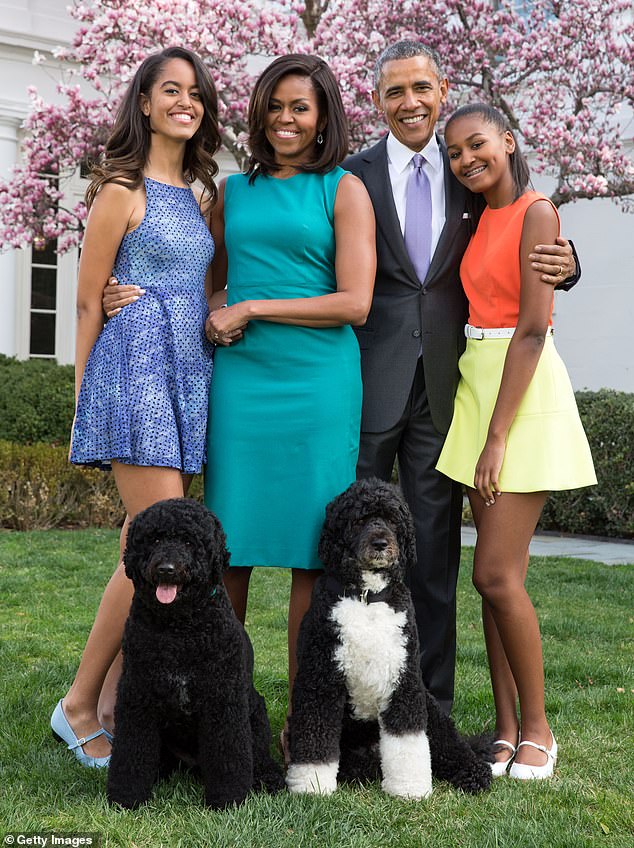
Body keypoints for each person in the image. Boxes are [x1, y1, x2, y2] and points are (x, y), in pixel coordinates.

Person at [344, 40, 580, 715]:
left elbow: (523, 234)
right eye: (394, 91)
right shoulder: (352, 176)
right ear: (377, 101)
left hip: (451, 392)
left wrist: (569, 263)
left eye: (421, 87)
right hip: (368, 381)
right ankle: (351, 703)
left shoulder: (468, 171)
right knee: (349, 545)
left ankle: (429, 712)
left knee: (434, 555)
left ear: (442, 90)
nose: (409, 102)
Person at [51, 47, 221, 767]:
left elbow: (204, 285)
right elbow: (88, 300)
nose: (185, 102)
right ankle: (79, 704)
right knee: (155, 539)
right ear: (144, 103)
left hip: (188, 371)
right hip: (134, 371)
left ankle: (114, 704)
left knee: (143, 543)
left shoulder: (203, 193)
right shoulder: (120, 189)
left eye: (195, 93)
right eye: (170, 90)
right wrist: (84, 397)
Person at [203, 54, 375, 757]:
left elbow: (355, 302)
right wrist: (216, 308)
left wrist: (253, 307)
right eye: (274, 105)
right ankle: (222, 723)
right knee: (226, 550)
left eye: (300, 107)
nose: (285, 119)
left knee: (313, 555)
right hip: (243, 385)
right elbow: (209, 283)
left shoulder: (345, 189)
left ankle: (306, 726)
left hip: (317, 384)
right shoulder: (231, 192)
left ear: (323, 115)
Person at [436, 103, 595, 778]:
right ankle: (504, 730)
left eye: (477, 145)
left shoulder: (537, 211)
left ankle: (539, 730)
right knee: (498, 581)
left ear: (508, 140)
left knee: (494, 574)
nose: (466, 160)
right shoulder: (476, 215)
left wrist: (497, 436)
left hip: (519, 393)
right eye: (454, 153)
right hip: (477, 382)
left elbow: (532, 329)